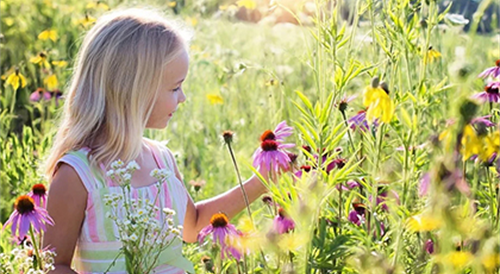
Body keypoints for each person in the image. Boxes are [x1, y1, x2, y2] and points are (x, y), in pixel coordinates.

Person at [42, 8, 268, 274]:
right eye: (175, 88)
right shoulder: (78, 174)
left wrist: (260, 182)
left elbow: (193, 226)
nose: (182, 97)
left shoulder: (162, 160)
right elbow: (53, 266)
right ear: (134, 90)